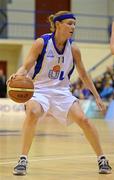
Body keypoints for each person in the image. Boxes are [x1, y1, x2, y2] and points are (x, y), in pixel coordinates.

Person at [7, 11, 112, 176]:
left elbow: (84, 75)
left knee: (84, 119)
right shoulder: (41, 42)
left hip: (62, 91)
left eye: (74, 24)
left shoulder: (74, 49)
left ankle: (102, 158)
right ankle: (22, 159)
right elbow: (26, 66)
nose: (73, 27)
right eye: (69, 23)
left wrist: (97, 96)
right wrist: (19, 75)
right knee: (33, 112)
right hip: (39, 89)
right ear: (58, 24)